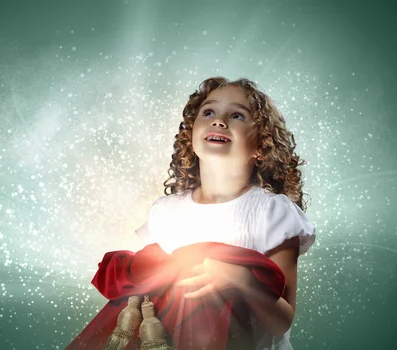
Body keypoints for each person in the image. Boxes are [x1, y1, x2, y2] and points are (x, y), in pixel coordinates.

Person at [133, 76, 316, 349]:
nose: (219, 121)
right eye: (208, 112)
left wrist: (239, 279)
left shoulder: (271, 212)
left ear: (261, 146)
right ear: (190, 134)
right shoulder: (164, 213)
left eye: (237, 116)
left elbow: (282, 321)